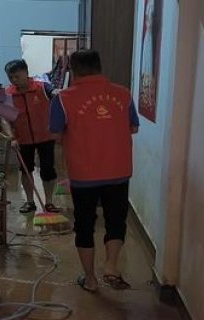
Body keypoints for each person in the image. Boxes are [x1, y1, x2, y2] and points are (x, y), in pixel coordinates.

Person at [49, 50, 140, 292]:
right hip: (118, 170)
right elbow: (133, 128)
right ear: (99, 66)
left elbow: (55, 134)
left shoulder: (62, 98)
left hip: (84, 174)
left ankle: (90, 279)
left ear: (73, 70)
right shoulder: (123, 94)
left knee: (85, 224)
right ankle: (111, 265)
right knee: (116, 220)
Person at [2, 59, 61, 214]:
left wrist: (58, 93)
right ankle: (29, 202)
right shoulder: (8, 94)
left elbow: (55, 94)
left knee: (48, 170)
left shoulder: (42, 87)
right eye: (11, 77)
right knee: (26, 170)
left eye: (17, 76)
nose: (14, 80)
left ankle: (49, 202)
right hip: (23, 139)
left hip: (45, 136)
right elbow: (5, 119)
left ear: (26, 73)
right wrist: (12, 138)